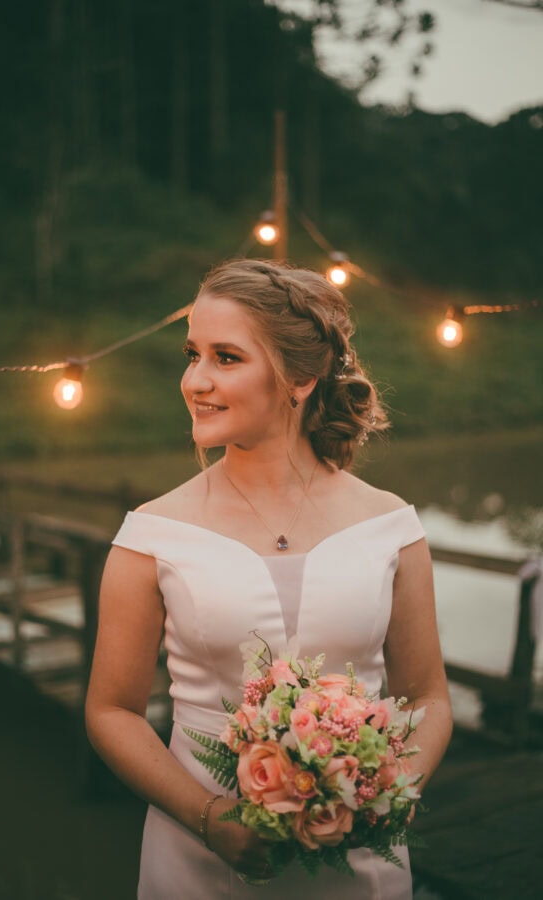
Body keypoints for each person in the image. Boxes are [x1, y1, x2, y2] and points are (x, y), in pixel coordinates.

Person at [85, 258, 453, 899]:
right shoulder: (151, 534)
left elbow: (429, 698)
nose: (195, 380)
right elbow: (112, 710)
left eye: (226, 357)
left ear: (302, 377)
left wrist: (388, 792)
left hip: (357, 862)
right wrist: (208, 817)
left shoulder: (391, 525)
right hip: (196, 863)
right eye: (192, 354)